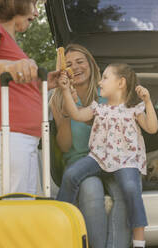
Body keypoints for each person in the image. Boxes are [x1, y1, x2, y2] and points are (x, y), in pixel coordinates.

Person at [0, 0, 63, 199]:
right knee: (8, 219)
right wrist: (11, 66)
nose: (36, 13)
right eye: (34, 4)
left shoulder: (6, 39)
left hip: (15, 139)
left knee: (20, 214)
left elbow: (6, 83)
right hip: (1, 136)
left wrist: (41, 84)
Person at [56, 63, 158, 248]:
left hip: (126, 160)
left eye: (104, 78)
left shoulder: (134, 109)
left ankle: (139, 241)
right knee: (71, 174)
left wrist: (148, 102)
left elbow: (152, 128)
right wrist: (64, 91)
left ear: (121, 82)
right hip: (99, 157)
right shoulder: (98, 108)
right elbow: (77, 115)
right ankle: (58, 220)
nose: (100, 82)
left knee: (130, 188)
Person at [50, 44, 131, 248]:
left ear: (90, 64)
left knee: (125, 191)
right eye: (68, 64)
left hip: (110, 160)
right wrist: (67, 114)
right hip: (79, 163)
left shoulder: (107, 90)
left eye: (80, 62)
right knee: (91, 189)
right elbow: (66, 146)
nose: (75, 68)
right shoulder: (57, 99)